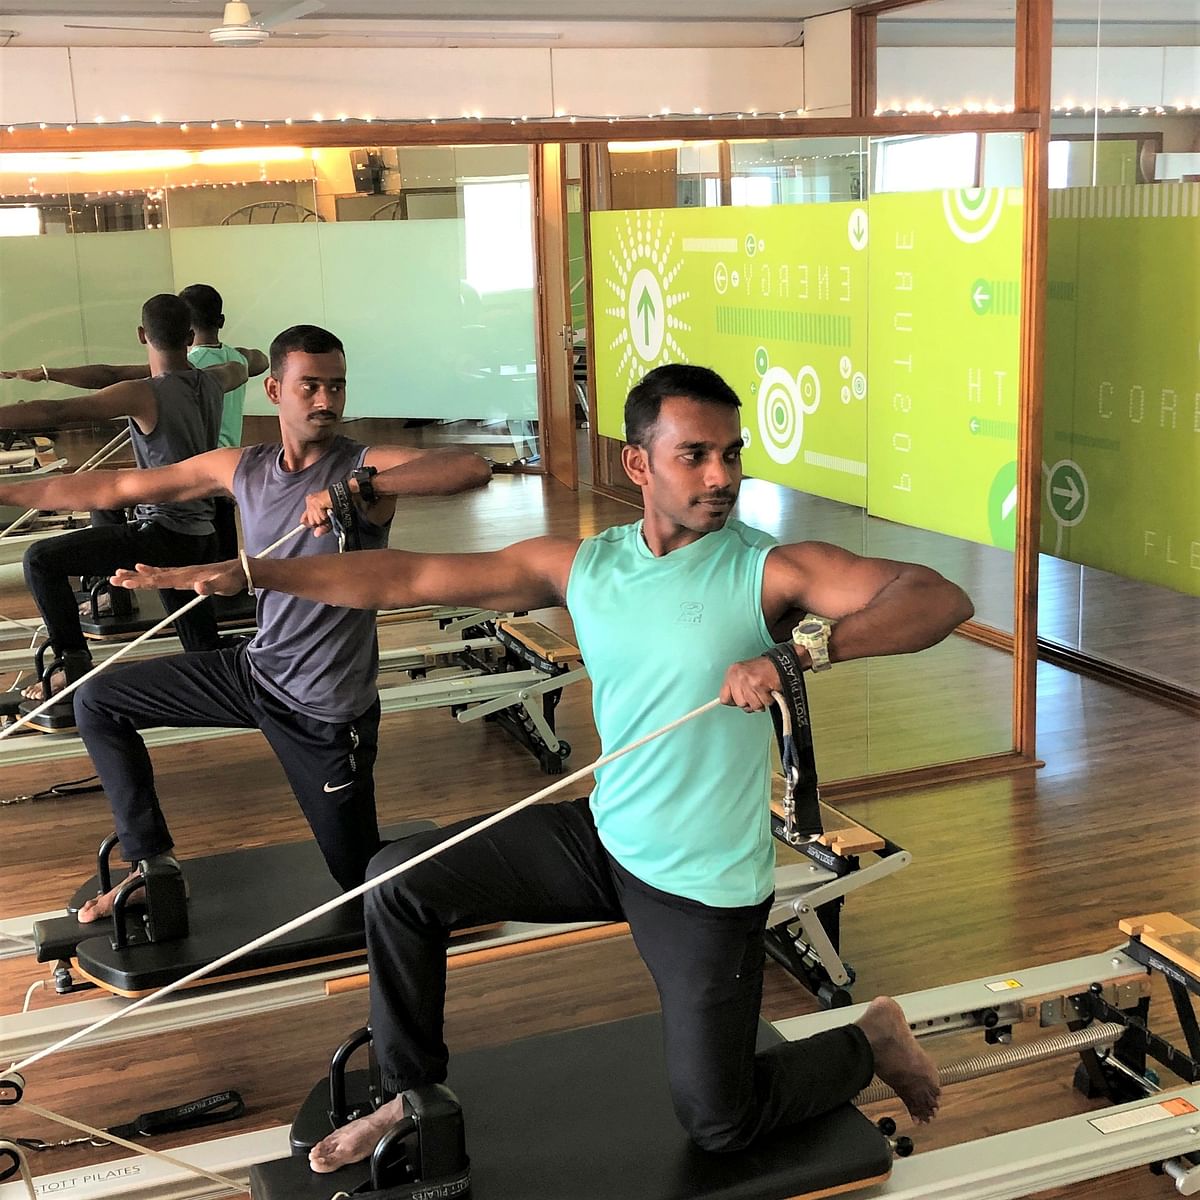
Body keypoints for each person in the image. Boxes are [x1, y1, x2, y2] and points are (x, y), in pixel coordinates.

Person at [112, 363, 971, 1166]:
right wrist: (258, 572)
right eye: (695, 455)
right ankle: (408, 1094)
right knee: (397, 881)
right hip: (605, 838)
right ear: (639, 463)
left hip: (703, 887)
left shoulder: (768, 569)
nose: (721, 477)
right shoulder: (586, 566)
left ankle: (873, 1040)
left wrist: (799, 658)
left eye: (732, 455)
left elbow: (936, 598)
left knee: (719, 1120)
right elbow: (408, 575)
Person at [2, 323, 491, 906]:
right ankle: (150, 863)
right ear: (274, 391)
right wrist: (6, 494)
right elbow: (120, 487)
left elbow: (469, 467)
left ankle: (477, 877)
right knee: (98, 701)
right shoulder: (243, 466)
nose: (326, 400)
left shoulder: (361, 465)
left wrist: (354, 488)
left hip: (326, 713)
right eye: (309, 386)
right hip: (257, 673)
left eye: (337, 387)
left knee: (359, 884)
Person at [0, 293, 249, 727]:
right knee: (201, 645)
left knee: (40, 560)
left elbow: (59, 411)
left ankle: (73, 664)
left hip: (165, 536)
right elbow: (248, 362)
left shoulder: (143, 393)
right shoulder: (216, 380)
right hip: (201, 534)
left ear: (141, 336)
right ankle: (237, 690)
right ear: (190, 337)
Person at [3, 282, 269, 559]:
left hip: (170, 513)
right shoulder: (224, 371)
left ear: (143, 335)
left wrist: (48, 373)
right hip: (219, 491)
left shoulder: (152, 388)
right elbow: (255, 362)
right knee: (213, 582)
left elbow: (85, 391)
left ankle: (113, 592)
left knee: (44, 555)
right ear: (190, 334)